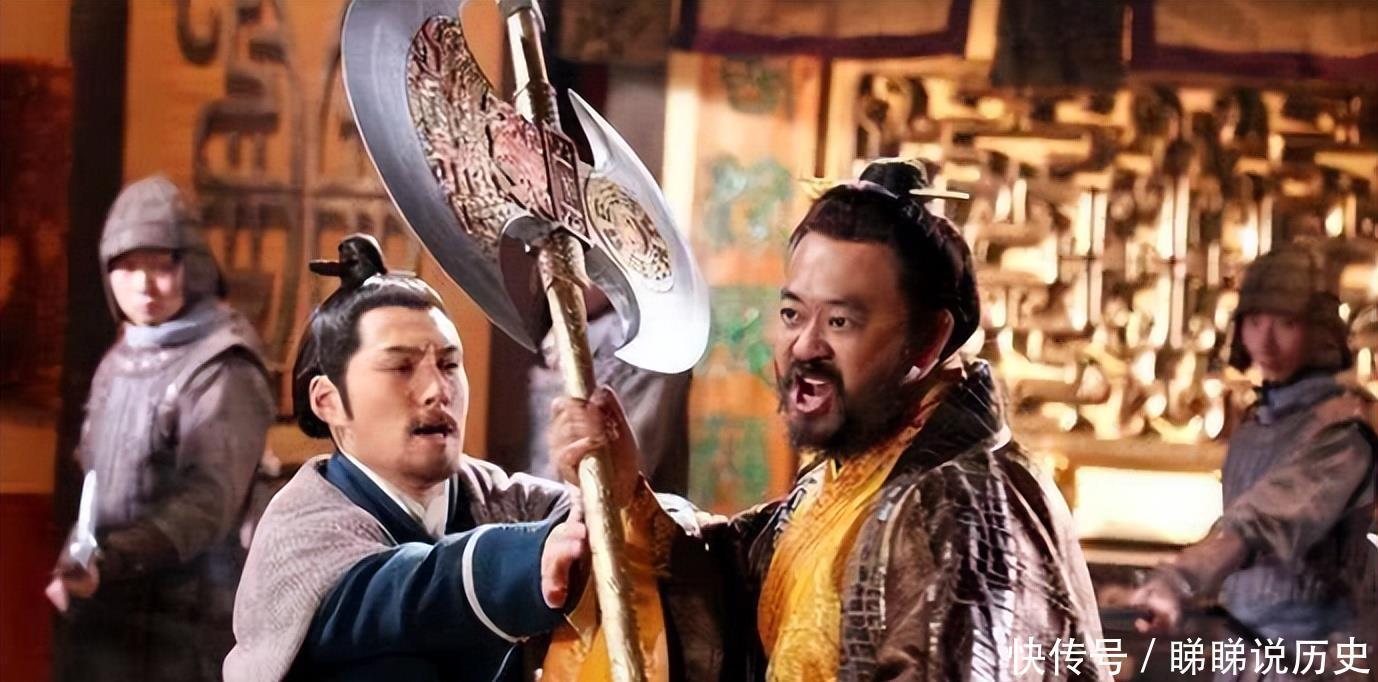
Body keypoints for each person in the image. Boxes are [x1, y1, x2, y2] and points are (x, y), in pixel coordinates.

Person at [546, 160, 1109, 681]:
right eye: (792, 313)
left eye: (841, 322)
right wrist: (627, 493)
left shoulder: (954, 508)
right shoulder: (854, 471)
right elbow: (735, 595)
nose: (805, 346)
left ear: (928, 340)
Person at [224, 234, 590, 681]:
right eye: (401, 367)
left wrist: (605, 486)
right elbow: (404, 595)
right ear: (328, 401)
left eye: (449, 365)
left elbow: (616, 541)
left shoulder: (499, 499)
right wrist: (529, 559)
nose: (438, 390)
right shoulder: (299, 532)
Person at [45, 175, 275, 681]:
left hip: (185, 624)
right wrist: (78, 556)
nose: (144, 284)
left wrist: (114, 558)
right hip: (108, 613)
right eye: (128, 267)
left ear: (193, 267)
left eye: (161, 265)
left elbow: (208, 502)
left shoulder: (221, 366)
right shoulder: (118, 360)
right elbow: (95, 484)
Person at [1131, 244, 1377, 680]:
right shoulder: (1255, 424)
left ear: (1319, 332)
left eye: (1286, 323)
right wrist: (1160, 590)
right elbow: (1239, 529)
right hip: (1246, 649)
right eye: (1255, 321)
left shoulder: (1342, 431)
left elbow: (1265, 519)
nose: (1266, 340)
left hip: (1318, 657)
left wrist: (1180, 580)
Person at [524, 286, 693, 494]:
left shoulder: (652, 340)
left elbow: (623, 478)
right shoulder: (555, 333)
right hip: (554, 503)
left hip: (617, 504)